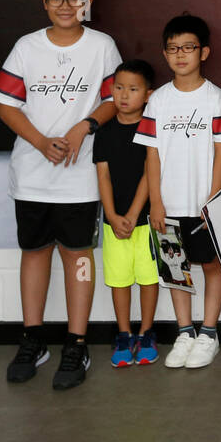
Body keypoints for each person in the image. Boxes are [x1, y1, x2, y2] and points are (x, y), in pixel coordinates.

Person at [0, 0, 121, 390]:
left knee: (78, 256)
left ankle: (76, 344)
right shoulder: (27, 47)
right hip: (32, 173)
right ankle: (33, 340)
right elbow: (5, 105)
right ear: (45, 2)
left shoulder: (101, 45)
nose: (66, 6)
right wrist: (42, 142)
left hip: (80, 175)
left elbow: (113, 99)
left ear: (87, 3)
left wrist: (84, 127)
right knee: (35, 252)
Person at [134, 13, 221, 370]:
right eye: (173, 49)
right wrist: (156, 201)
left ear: (203, 52)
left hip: (203, 204)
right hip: (168, 203)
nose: (180, 55)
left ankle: (208, 333)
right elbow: (151, 154)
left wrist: (213, 199)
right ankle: (185, 332)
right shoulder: (158, 100)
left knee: (211, 265)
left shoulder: (215, 98)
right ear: (165, 53)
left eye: (188, 48)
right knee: (176, 268)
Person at [94, 59, 159, 367]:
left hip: (145, 220)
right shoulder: (104, 133)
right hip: (113, 222)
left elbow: (150, 172)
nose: (124, 95)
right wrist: (112, 214)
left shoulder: (152, 129)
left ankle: (146, 332)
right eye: (118, 88)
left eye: (133, 89)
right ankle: (123, 333)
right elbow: (103, 175)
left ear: (148, 94)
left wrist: (133, 214)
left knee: (148, 278)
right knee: (119, 280)